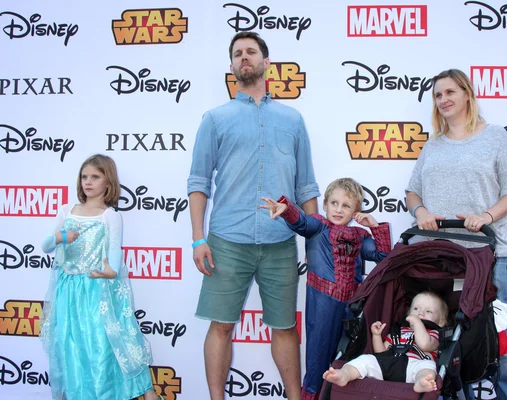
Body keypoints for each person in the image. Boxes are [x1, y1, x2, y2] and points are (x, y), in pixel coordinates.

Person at [187, 31, 320, 400]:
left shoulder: (292, 120)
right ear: (231, 67)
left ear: (266, 63)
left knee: (285, 328)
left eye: (251, 51)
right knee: (221, 326)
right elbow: (199, 183)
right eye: (237, 53)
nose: (244, 57)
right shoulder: (214, 119)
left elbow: (306, 186)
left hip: (280, 244)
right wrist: (198, 239)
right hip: (227, 242)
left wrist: (316, 243)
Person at [405, 68, 507, 399]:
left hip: (484, 255)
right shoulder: (433, 145)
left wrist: (486, 215)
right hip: (439, 259)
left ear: (467, 95)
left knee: (499, 344)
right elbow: (412, 192)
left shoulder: (495, 136)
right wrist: (421, 212)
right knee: (445, 343)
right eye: (438, 95)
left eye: (449, 92)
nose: (443, 99)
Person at [39, 154, 162, 400]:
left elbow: (114, 249)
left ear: (108, 182)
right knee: (70, 344)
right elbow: (45, 245)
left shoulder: (110, 216)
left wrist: (112, 271)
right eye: (84, 177)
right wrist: (62, 237)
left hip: (97, 290)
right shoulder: (67, 211)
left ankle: (133, 393)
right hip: (68, 291)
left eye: (95, 177)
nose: (88, 182)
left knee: (104, 344)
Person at [262, 177, 392, 400]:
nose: (339, 210)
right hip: (322, 302)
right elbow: (301, 222)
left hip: (352, 306)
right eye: (334, 203)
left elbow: (383, 257)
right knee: (317, 359)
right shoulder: (318, 226)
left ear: (355, 211)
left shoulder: (360, 237)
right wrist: (286, 210)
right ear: (325, 205)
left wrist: (375, 227)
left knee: (349, 361)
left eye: (346, 206)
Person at [323, 292, 448, 394]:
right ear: (408, 314)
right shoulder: (398, 332)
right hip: (388, 363)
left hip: (414, 366)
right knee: (365, 359)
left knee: (428, 366)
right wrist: (376, 336)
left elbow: (424, 345)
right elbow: (382, 353)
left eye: (428, 311)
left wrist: (418, 323)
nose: (420, 313)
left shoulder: (433, 334)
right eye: (416, 309)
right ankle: (345, 374)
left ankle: (421, 382)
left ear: (441, 322)